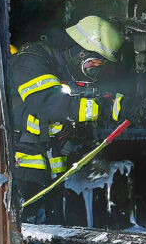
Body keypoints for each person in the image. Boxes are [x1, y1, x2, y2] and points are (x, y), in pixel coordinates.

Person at [10, 15, 138, 224]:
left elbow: (78, 114)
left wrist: (92, 150)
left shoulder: (67, 70)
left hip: (52, 173)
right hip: (20, 170)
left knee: (52, 232)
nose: (95, 72)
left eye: (101, 65)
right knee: (21, 231)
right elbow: (50, 105)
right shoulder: (32, 59)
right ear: (80, 52)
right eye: (93, 63)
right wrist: (108, 109)